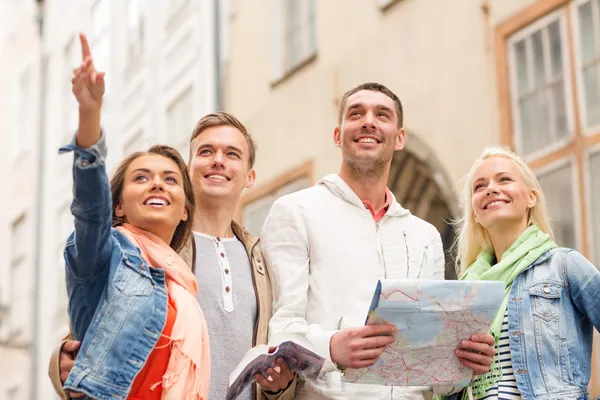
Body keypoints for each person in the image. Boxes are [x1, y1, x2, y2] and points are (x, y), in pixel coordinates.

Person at [49, 68, 296, 399]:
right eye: (206, 152)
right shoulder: (140, 248)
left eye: (232, 154)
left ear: (249, 177)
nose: (218, 161)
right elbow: (95, 317)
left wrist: (282, 387)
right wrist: (60, 362)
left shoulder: (262, 258)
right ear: (191, 171)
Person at [260, 82, 496, 399]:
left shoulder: (424, 234)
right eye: (356, 113)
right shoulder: (295, 212)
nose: (368, 121)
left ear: (399, 138)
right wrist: (331, 349)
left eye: (382, 114)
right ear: (337, 135)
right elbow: (282, 329)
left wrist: (465, 362)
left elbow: (436, 374)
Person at [58, 32, 210, 399]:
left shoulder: (183, 285)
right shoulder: (105, 254)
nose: (157, 185)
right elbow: (90, 208)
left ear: (185, 210)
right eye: (141, 178)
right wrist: (90, 113)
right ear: (119, 206)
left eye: (170, 179)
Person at [444, 147, 600, 400]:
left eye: (504, 179)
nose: (491, 189)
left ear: (531, 197)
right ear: (474, 212)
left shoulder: (564, 266)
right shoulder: (464, 291)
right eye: (479, 186)